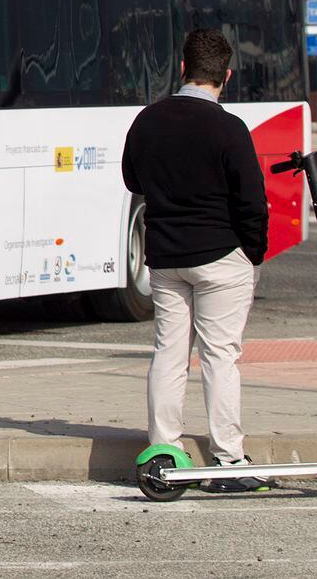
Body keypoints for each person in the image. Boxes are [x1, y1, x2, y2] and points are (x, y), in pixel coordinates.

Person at [122, 27, 271, 492]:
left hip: (166, 257)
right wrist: (253, 252)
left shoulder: (148, 120)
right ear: (225, 76)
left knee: (169, 354)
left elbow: (132, 180)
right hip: (220, 257)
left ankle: (164, 448)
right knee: (220, 357)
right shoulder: (228, 128)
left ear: (183, 68)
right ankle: (228, 459)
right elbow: (252, 200)